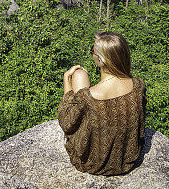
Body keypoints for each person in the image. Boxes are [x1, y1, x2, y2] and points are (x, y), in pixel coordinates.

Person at [57, 31, 146, 176]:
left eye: (92, 50)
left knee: (77, 75)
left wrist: (67, 81)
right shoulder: (138, 86)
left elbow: (66, 123)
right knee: (81, 75)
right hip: (126, 160)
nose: (91, 52)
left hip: (93, 164)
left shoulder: (88, 96)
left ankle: (74, 84)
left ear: (100, 60)